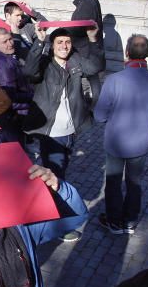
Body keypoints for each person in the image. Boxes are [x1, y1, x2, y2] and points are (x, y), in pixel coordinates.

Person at [94, 35, 148, 234]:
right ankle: (130, 220)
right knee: (134, 183)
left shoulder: (113, 80)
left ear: (126, 53)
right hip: (140, 143)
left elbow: (100, 115)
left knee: (113, 183)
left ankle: (114, 220)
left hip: (115, 143)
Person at [22, 25, 105, 186]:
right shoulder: (45, 64)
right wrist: (39, 41)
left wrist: (93, 40)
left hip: (71, 131)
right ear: (52, 46)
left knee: (60, 168)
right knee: (55, 175)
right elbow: (29, 72)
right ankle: (56, 206)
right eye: (59, 42)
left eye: (67, 42)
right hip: (52, 133)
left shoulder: (75, 61)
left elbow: (95, 67)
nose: (64, 46)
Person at [0, 27, 33, 143]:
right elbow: (10, 95)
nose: (10, 44)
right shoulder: (5, 64)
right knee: (16, 151)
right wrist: (32, 96)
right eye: (4, 42)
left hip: (2, 114)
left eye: (10, 39)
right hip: (12, 115)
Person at [69, 0, 105, 104]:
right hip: (90, 46)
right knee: (93, 78)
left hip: (85, 48)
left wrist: (65, 29)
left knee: (83, 77)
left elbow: (78, 28)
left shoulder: (87, 3)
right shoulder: (91, 0)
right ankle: (97, 105)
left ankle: (87, 106)